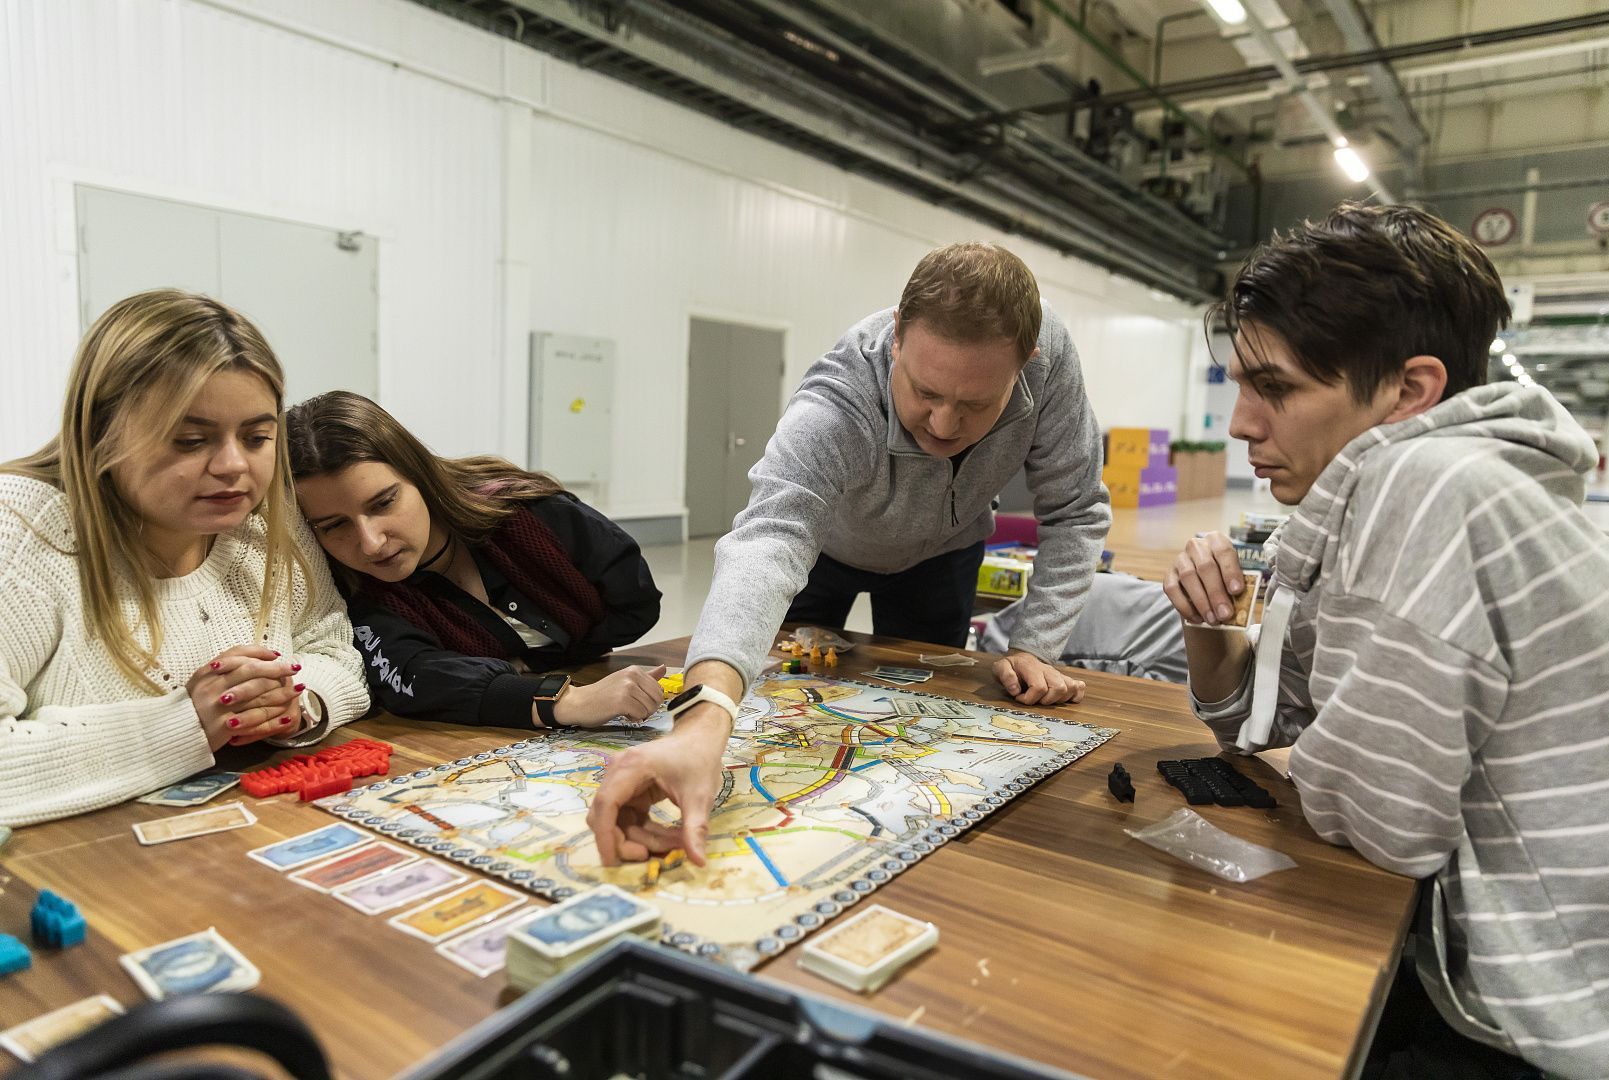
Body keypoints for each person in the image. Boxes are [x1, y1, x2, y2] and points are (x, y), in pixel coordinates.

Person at [1164, 203, 1609, 1078]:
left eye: (1276, 388)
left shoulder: (1432, 488)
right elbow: (1267, 724)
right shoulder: (1409, 485)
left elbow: (1385, 826)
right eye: (1240, 385)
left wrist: (1324, 750)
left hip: (1553, 1020)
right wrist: (1211, 630)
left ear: (1409, 392)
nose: (1241, 423)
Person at [589, 241, 1110, 867]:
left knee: (926, 717)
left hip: (943, 554)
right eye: (924, 391)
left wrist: (1036, 645)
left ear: (1027, 362)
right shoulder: (838, 400)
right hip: (824, 556)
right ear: (898, 334)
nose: (944, 424)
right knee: (785, 697)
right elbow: (769, 538)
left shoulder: (1050, 359)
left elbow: (1076, 509)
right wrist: (703, 720)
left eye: (975, 404)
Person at [0, 290, 370, 828]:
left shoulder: (265, 517)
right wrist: (184, 724)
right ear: (102, 432)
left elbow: (331, 644)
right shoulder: (19, 528)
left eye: (258, 436)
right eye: (191, 440)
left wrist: (297, 699)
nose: (233, 466)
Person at [286, 391, 664, 731]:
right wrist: (565, 701)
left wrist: (530, 666)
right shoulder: (354, 589)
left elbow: (637, 603)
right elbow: (415, 679)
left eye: (384, 502)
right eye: (334, 525)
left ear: (419, 474)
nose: (371, 544)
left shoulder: (528, 513)